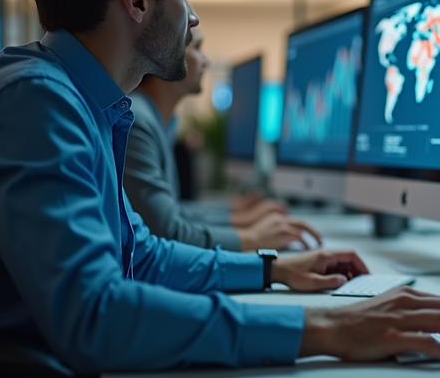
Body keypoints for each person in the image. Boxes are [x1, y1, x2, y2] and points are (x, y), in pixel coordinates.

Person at [0, 0, 440, 373]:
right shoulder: (34, 102)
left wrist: (274, 271)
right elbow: (95, 315)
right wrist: (329, 327)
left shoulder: (80, 101)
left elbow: (142, 256)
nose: (195, 19)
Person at [125, 24, 322, 251]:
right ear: (164, 55)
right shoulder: (137, 121)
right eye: (198, 48)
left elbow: (172, 212)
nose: (207, 61)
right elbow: (167, 230)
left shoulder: (154, 120)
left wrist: (236, 215)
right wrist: (253, 238)